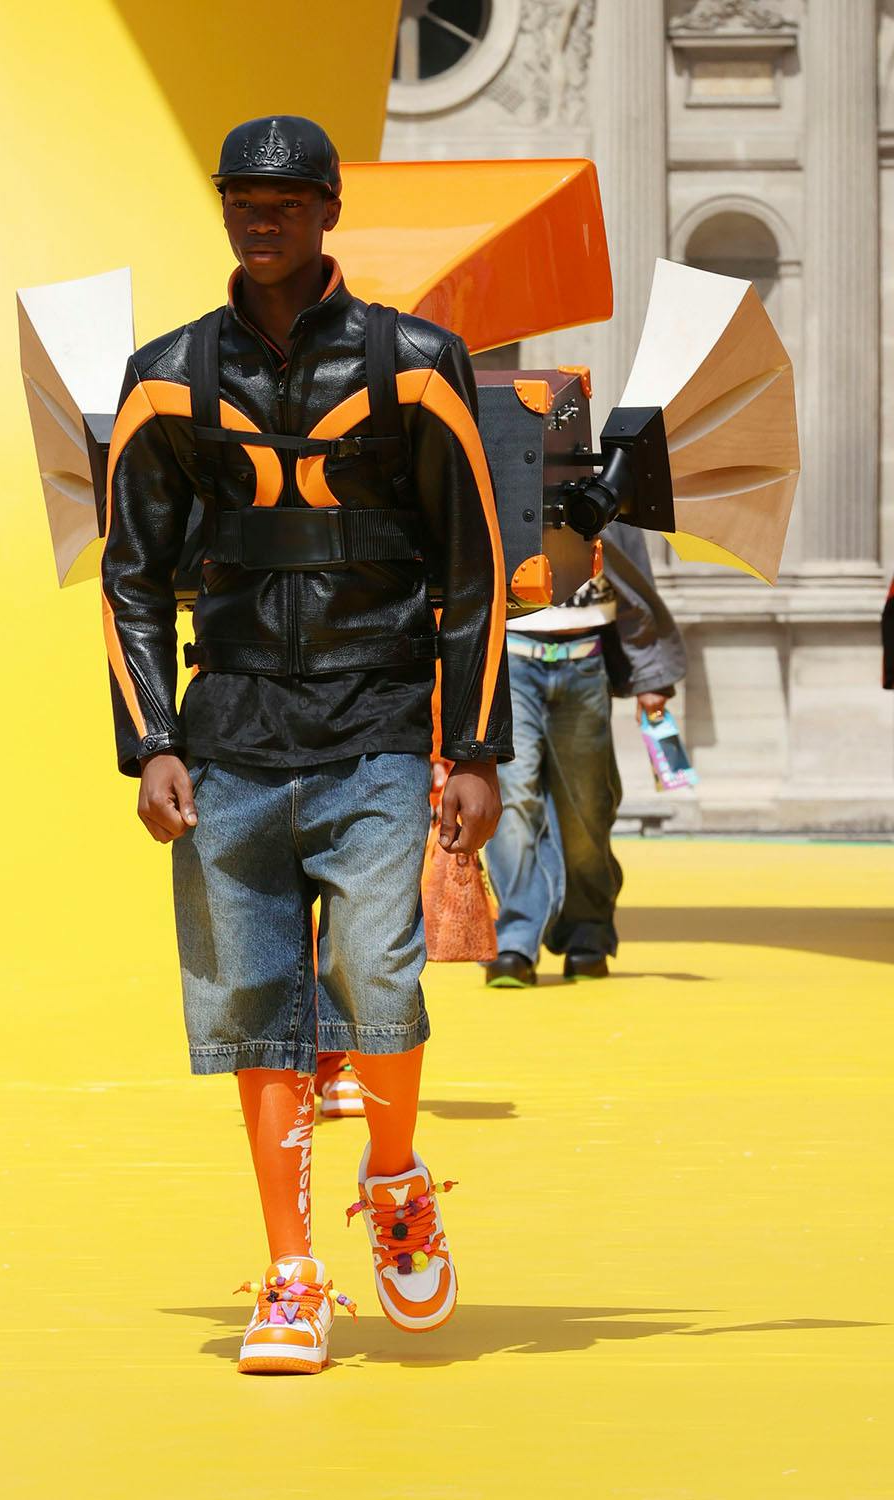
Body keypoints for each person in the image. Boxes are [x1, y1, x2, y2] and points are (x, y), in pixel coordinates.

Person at [101, 115, 511, 1373]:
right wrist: (151, 741)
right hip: (227, 742)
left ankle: (394, 1182)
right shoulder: (166, 377)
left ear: (331, 211)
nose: (260, 216)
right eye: (241, 198)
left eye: (284, 198)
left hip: (377, 730)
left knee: (377, 979)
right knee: (250, 1005)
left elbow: (472, 567)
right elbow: (130, 575)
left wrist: (480, 750)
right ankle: (289, 1274)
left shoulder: (417, 363)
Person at [483, 523, 686, 986]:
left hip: (586, 657)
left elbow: (634, 578)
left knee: (587, 809)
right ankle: (515, 941)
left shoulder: (606, 471)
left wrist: (651, 678)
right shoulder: (502, 461)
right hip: (513, 655)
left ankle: (587, 935)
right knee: (513, 803)